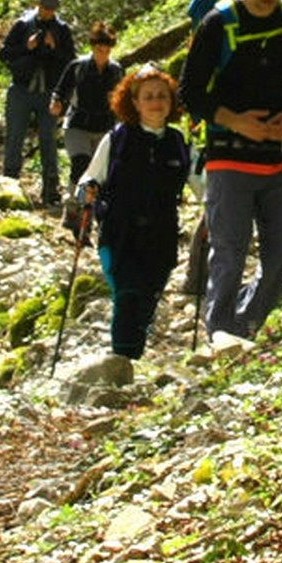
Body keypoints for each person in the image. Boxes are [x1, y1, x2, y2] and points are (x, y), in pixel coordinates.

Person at [178, 0, 282, 342]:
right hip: (230, 156)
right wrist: (236, 121)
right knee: (229, 250)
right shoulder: (218, 23)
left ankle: (245, 321)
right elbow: (191, 91)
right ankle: (220, 333)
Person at [76, 64, 192, 362]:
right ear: (134, 102)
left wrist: (218, 210)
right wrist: (87, 191)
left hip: (162, 237)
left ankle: (131, 364)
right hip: (119, 234)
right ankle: (121, 366)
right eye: (148, 96)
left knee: (147, 302)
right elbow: (90, 179)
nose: (156, 101)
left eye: (162, 96)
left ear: (171, 101)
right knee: (128, 295)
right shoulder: (117, 139)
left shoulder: (179, 143)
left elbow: (205, 186)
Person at [0, 0, 77, 205]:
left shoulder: (62, 30)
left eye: (51, 8)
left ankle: (51, 190)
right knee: (14, 137)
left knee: (48, 140)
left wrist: (54, 48)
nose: (47, 11)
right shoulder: (22, 25)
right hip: (22, 89)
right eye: (44, 7)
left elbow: (71, 62)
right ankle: (8, 185)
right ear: (37, 4)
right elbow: (4, 54)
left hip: (49, 92)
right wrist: (27, 48)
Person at [51, 23, 123, 225]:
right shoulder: (78, 66)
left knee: (98, 173)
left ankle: (88, 213)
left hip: (104, 127)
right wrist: (56, 102)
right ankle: (73, 205)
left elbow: (124, 97)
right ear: (93, 47)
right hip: (78, 125)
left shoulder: (116, 70)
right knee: (80, 164)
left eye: (108, 50)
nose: (104, 54)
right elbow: (60, 89)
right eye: (100, 49)